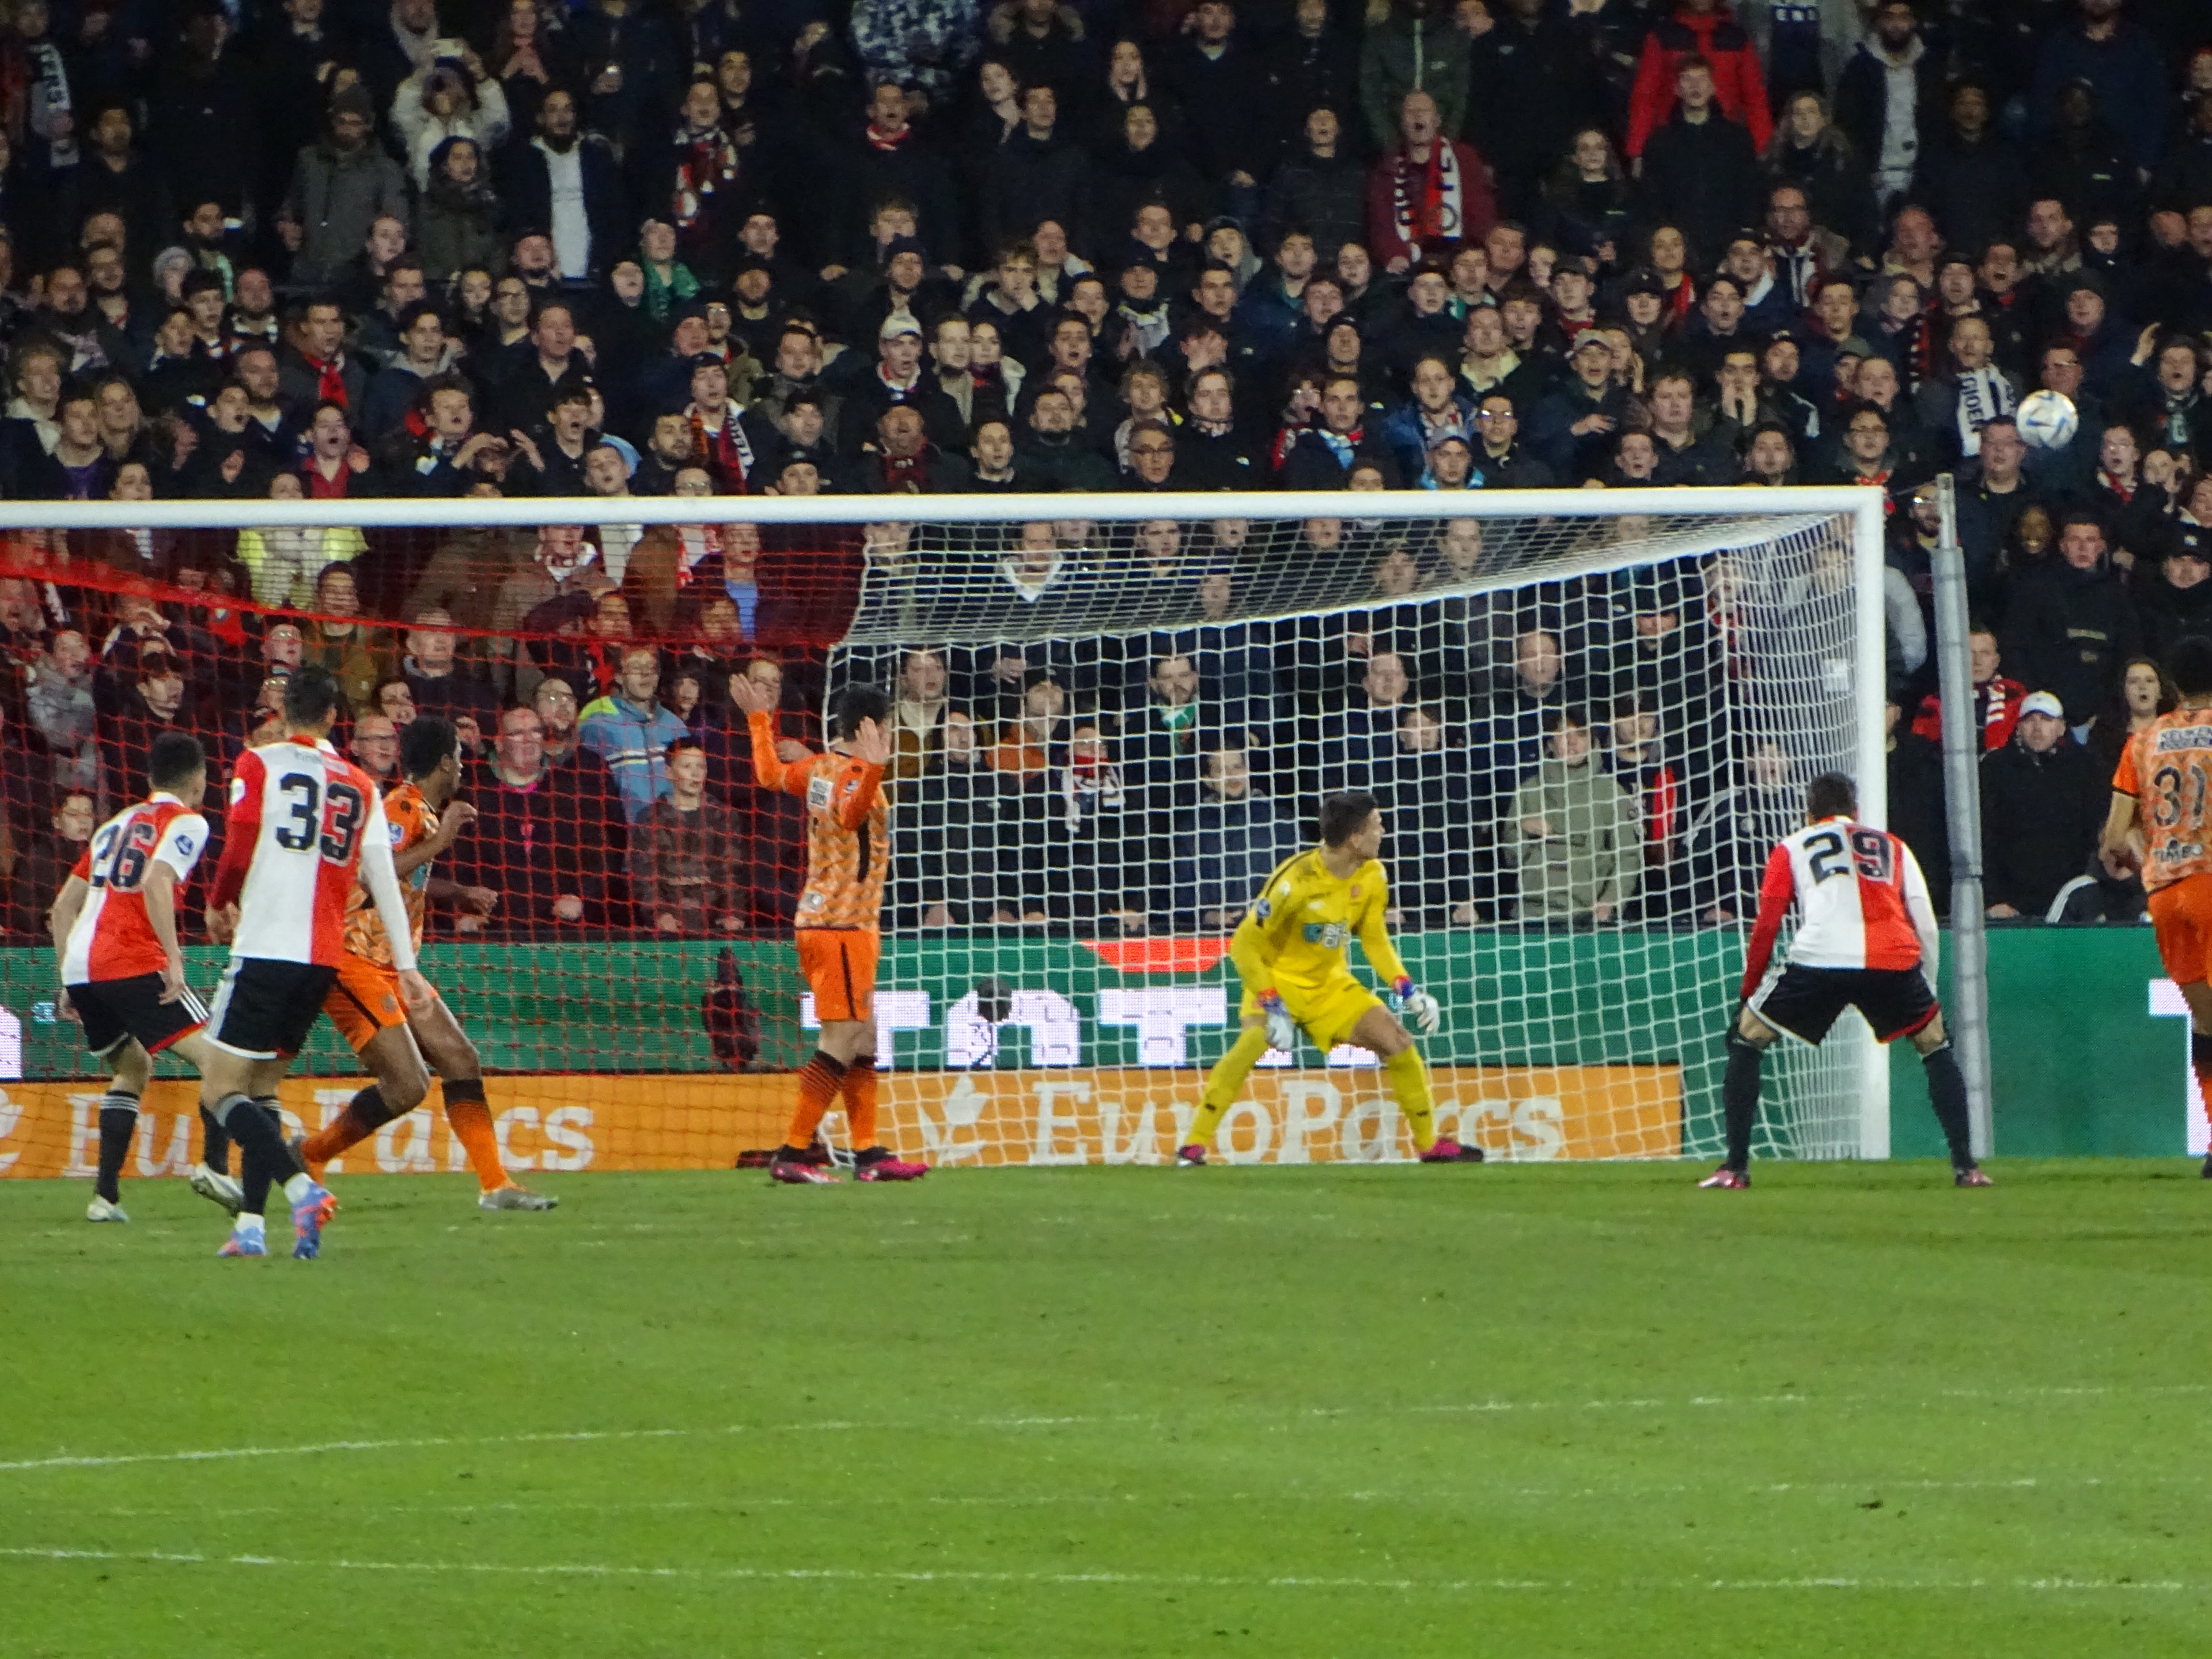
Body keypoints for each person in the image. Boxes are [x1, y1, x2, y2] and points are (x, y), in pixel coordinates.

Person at [199, 666, 431, 1257]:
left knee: (220, 1091)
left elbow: (240, 841)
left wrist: (219, 900)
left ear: (281, 713)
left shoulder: (259, 763)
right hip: (322, 959)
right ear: (335, 718)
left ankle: (301, 1187)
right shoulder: (360, 783)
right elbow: (382, 879)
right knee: (263, 1090)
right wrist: (406, 966)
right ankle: (251, 1229)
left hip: (266, 948)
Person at [293, 717, 554, 1211]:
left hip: (394, 963)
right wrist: (443, 841)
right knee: (409, 1085)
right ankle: (310, 1153)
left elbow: (408, 879)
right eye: (457, 756)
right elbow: (377, 874)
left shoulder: (422, 811)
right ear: (444, 763)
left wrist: (457, 893)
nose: (462, 766)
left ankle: (496, 1185)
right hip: (354, 960)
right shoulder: (401, 807)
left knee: (460, 1059)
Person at [1708, 770, 1987, 1189]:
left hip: (1820, 957)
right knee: (1935, 1045)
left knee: (1748, 1038)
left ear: (1809, 813)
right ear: (1855, 812)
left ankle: (1735, 1169)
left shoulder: (1791, 846)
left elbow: (1767, 925)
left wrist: (1749, 991)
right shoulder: (1893, 846)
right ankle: (1967, 1168)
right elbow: (1925, 923)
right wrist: (1925, 982)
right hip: (1892, 959)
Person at [1176, 789, 1479, 1168]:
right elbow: (1243, 946)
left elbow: (1374, 938)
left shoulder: (1372, 875)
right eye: (1376, 825)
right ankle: (1193, 1145)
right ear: (1354, 838)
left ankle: (1430, 1144)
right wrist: (1273, 1003)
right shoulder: (1293, 881)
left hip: (1329, 984)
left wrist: (1407, 989)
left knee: (1398, 1041)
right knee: (1251, 1045)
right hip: (1277, 980)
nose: (1382, 832)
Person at [730, 675, 925, 1185]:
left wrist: (758, 721)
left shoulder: (818, 767)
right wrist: (875, 768)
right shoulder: (854, 773)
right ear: (869, 727)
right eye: (885, 726)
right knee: (842, 1037)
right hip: (840, 925)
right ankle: (793, 1151)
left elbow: (771, 775)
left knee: (864, 1037)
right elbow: (848, 812)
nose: (888, 734)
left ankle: (869, 1152)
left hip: (835, 922)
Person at [47, 734, 241, 1223]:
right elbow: (156, 881)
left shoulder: (115, 823)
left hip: (84, 968)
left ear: (151, 778)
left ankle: (104, 1199)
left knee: (131, 1068)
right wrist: (174, 959)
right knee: (220, 1057)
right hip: (132, 961)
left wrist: (68, 977)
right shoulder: (188, 822)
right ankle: (215, 1167)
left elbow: (61, 908)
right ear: (198, 780)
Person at [2103, 635, 2212, 1175]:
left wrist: (2145, 860)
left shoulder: (2145, 741)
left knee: (2207, 1020)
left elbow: (2114, 837)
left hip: (2167, 893)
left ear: (2172, 682)